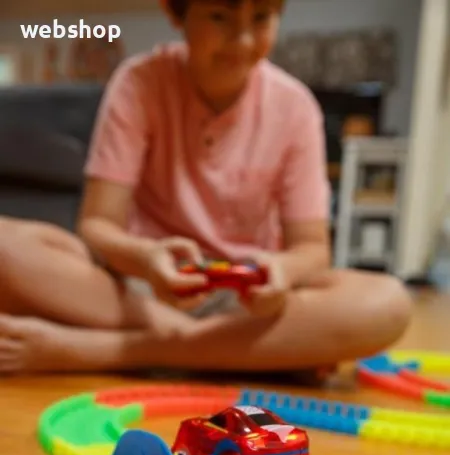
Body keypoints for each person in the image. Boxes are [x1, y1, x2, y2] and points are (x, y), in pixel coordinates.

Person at [0, 0, 412, 375]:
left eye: (261, 18)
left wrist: (282, 271)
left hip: (245, 304)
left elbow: (313, 249)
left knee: (388, 302)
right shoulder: (138, 82)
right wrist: (146, 258)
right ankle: (228, 352)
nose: (243, 40)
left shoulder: (295, 106)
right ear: (175, 12)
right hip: (142, 295)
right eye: (220, 17)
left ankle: (113, 351)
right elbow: (97, 225)